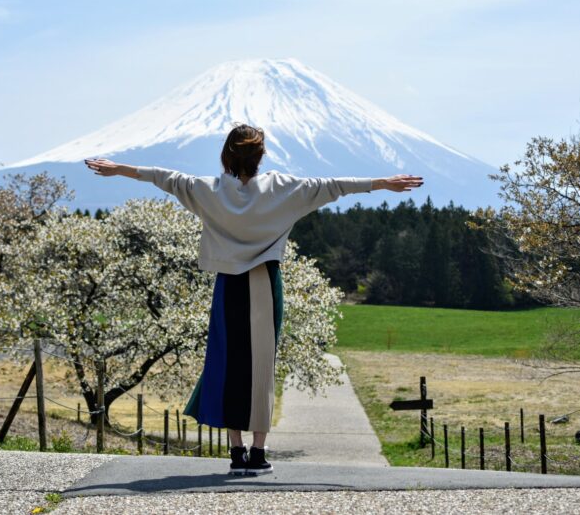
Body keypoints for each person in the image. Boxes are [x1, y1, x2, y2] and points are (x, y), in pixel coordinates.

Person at [85, 123, 423, 475]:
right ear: (261, 156)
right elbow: (335, 186)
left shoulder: (209, 190)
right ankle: (258, 452)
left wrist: (117, 169)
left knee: (228, 363)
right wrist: (383, 182)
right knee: (261, 367)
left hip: (228, 283)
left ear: (226, 155)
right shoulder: (283, 188)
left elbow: (164, 177)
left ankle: (236, 451)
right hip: (264, 282)